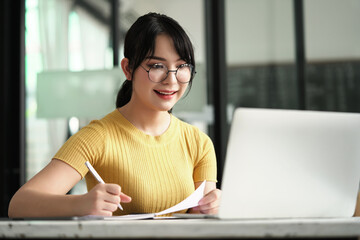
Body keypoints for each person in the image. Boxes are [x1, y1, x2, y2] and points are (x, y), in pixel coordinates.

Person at [8, 12, 221, 218]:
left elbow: (198, 216)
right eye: (157, 66)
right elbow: (20, 204)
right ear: (128, 69)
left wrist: (210, 207)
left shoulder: (199, 143)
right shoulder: (97, 136)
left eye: (181, 66)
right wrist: (81, 204)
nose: (171, 80)